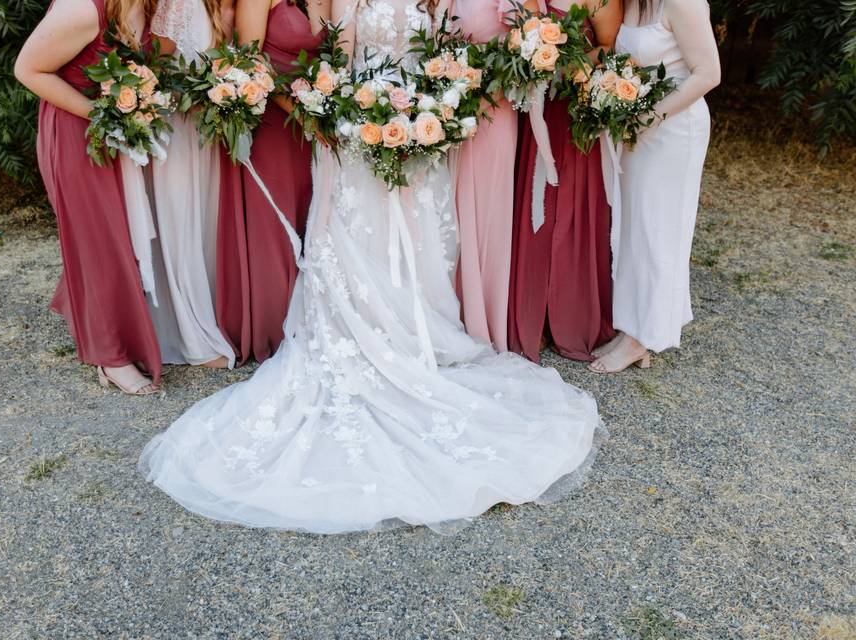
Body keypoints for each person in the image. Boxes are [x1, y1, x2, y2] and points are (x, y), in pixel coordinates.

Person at [139, 0, 603, 535]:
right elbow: (334, 60)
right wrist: (359, 116)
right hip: (359, 127)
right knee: (355, 237)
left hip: (424, 125)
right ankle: (360, 331)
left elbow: (444, 53)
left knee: (425, 242)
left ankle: (416, 333)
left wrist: (436, 105)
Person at [15, 0, 162, 395]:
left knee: (116, 234)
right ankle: (110, 356)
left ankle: (94, 312)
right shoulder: (82, 8)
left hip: (111, 134)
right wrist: (103, 114)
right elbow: (27, 70)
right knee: (100, 240)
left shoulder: (144, 5)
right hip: (74, 133)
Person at [590, 0, 719, 373]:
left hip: (675, 128)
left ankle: (643, 338)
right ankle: (633, 327)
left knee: (660, 230)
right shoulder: (634, 2)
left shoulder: (683, 2)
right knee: (635, 229)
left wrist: (651, 114)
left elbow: (709, 73)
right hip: (639, 128)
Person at [507, 0, 623, 364]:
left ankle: (568, 315)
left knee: (569, 208)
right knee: (535, 206)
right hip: (536, 115)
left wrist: (570, 66)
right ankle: (532, 313)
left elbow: (610, 45)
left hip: (574, 115)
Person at [215, 0, 329, 364]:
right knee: (274, 225)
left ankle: (307, 319)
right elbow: (251, 63)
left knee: (307, 215)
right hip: (273, 120)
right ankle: (273, 329)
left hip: (313, 121)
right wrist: (298, 110)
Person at [146, 0, 236, 369]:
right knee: (180, 221)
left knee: (204, 224)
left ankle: (209, 316)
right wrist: (190, 99)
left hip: (210, 137)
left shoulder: (227, 8)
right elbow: (153, 74)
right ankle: (189, 333)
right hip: (177, 133)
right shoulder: (178, 5)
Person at [449, 0, 515, 352]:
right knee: (450, 207)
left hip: (494, 109)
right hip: (450, 107)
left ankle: (480, 319)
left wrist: (485, 90)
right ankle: (445, 311)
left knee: (486, 213)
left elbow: (529, 47)